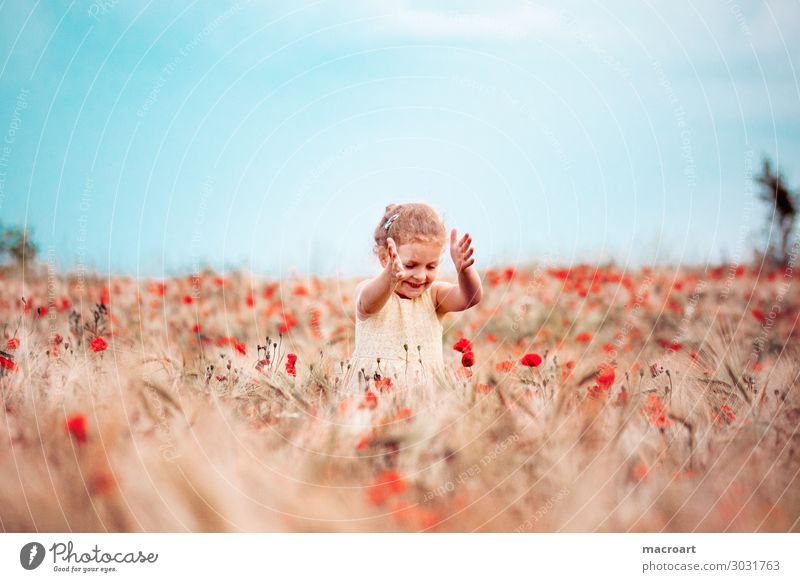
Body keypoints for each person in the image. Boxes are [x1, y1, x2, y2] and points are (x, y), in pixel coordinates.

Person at [340, 202, 482, 399]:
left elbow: (470, 298)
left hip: (425, 397)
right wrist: (390, 277)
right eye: (410, 265)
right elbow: (367, 304)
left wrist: (464, 271)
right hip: (372, 396)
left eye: (431, 266)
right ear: (384, 258)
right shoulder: (368, 290)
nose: (420, 276)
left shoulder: (434, 295)